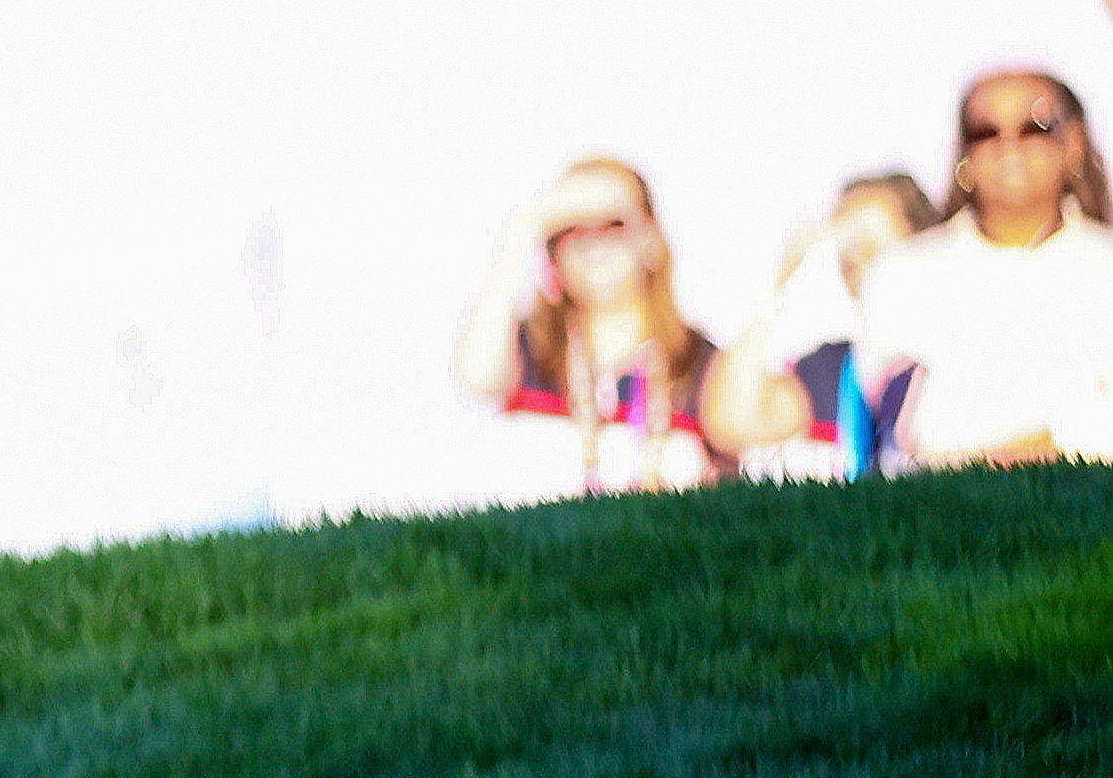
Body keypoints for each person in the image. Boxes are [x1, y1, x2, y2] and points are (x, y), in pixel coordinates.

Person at [854, 69, 1113, 467]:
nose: (1009, 145)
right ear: (965, 155)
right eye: (986, 131)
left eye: (1034, 127)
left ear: (1073, 143)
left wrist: (1059, 439)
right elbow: (892, 432)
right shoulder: (902, 277)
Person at [455, 157, 734, 491]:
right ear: (552, 253)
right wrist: (523, 227)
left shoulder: (704, 367)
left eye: (613, 224)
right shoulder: (525, 353)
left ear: (651, 239)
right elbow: (476, 380)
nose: (593, 243)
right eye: (570, 229)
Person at [699, 174, 941, 477]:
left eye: (870, 244)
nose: (855, 255)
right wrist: (781, 279)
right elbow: (735, 423)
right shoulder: (831, 367)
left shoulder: (951, 353)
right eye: (848, 249)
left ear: (923, 244)